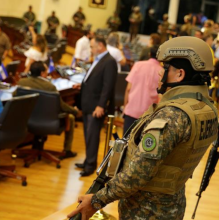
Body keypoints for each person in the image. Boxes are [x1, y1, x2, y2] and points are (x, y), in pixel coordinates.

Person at [67, 36, 218, 220]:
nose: (160, 74)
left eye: (165, 69)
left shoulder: (172, 115)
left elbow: (137, 175)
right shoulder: (206, 108)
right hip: (173, 204)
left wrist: (97, 201)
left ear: (180, 74)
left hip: (146, 210)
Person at [73, 36, 117, 177]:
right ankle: (87, 161)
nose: (90, 49)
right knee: (87, 135)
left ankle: (90, 165)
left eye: (92, 47)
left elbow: (107, 87)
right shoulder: (99, 59)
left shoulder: (109, 61)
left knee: (92, 136)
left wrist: (101, 106)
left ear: (100, 46)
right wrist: (82, 85)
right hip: (88, 103)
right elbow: (94, 80)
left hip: (96, 106)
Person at [17, 61, 78, 159]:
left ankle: (36, 146)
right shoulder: (50, 87)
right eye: (46, 71)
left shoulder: (22, 83)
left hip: (27, 121)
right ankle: (67, 151)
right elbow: (61, 106)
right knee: (70, 117)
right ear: (42, 73)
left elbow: (14, 98)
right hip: (48, 122)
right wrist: (74, 111)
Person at [123, 46, 162, 134]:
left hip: (132, 110)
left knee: (126, 144)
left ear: (149, 54)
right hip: (149, 114)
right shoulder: (161, 71)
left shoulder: (138, 65)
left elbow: (128, 88)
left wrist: (125, 106)